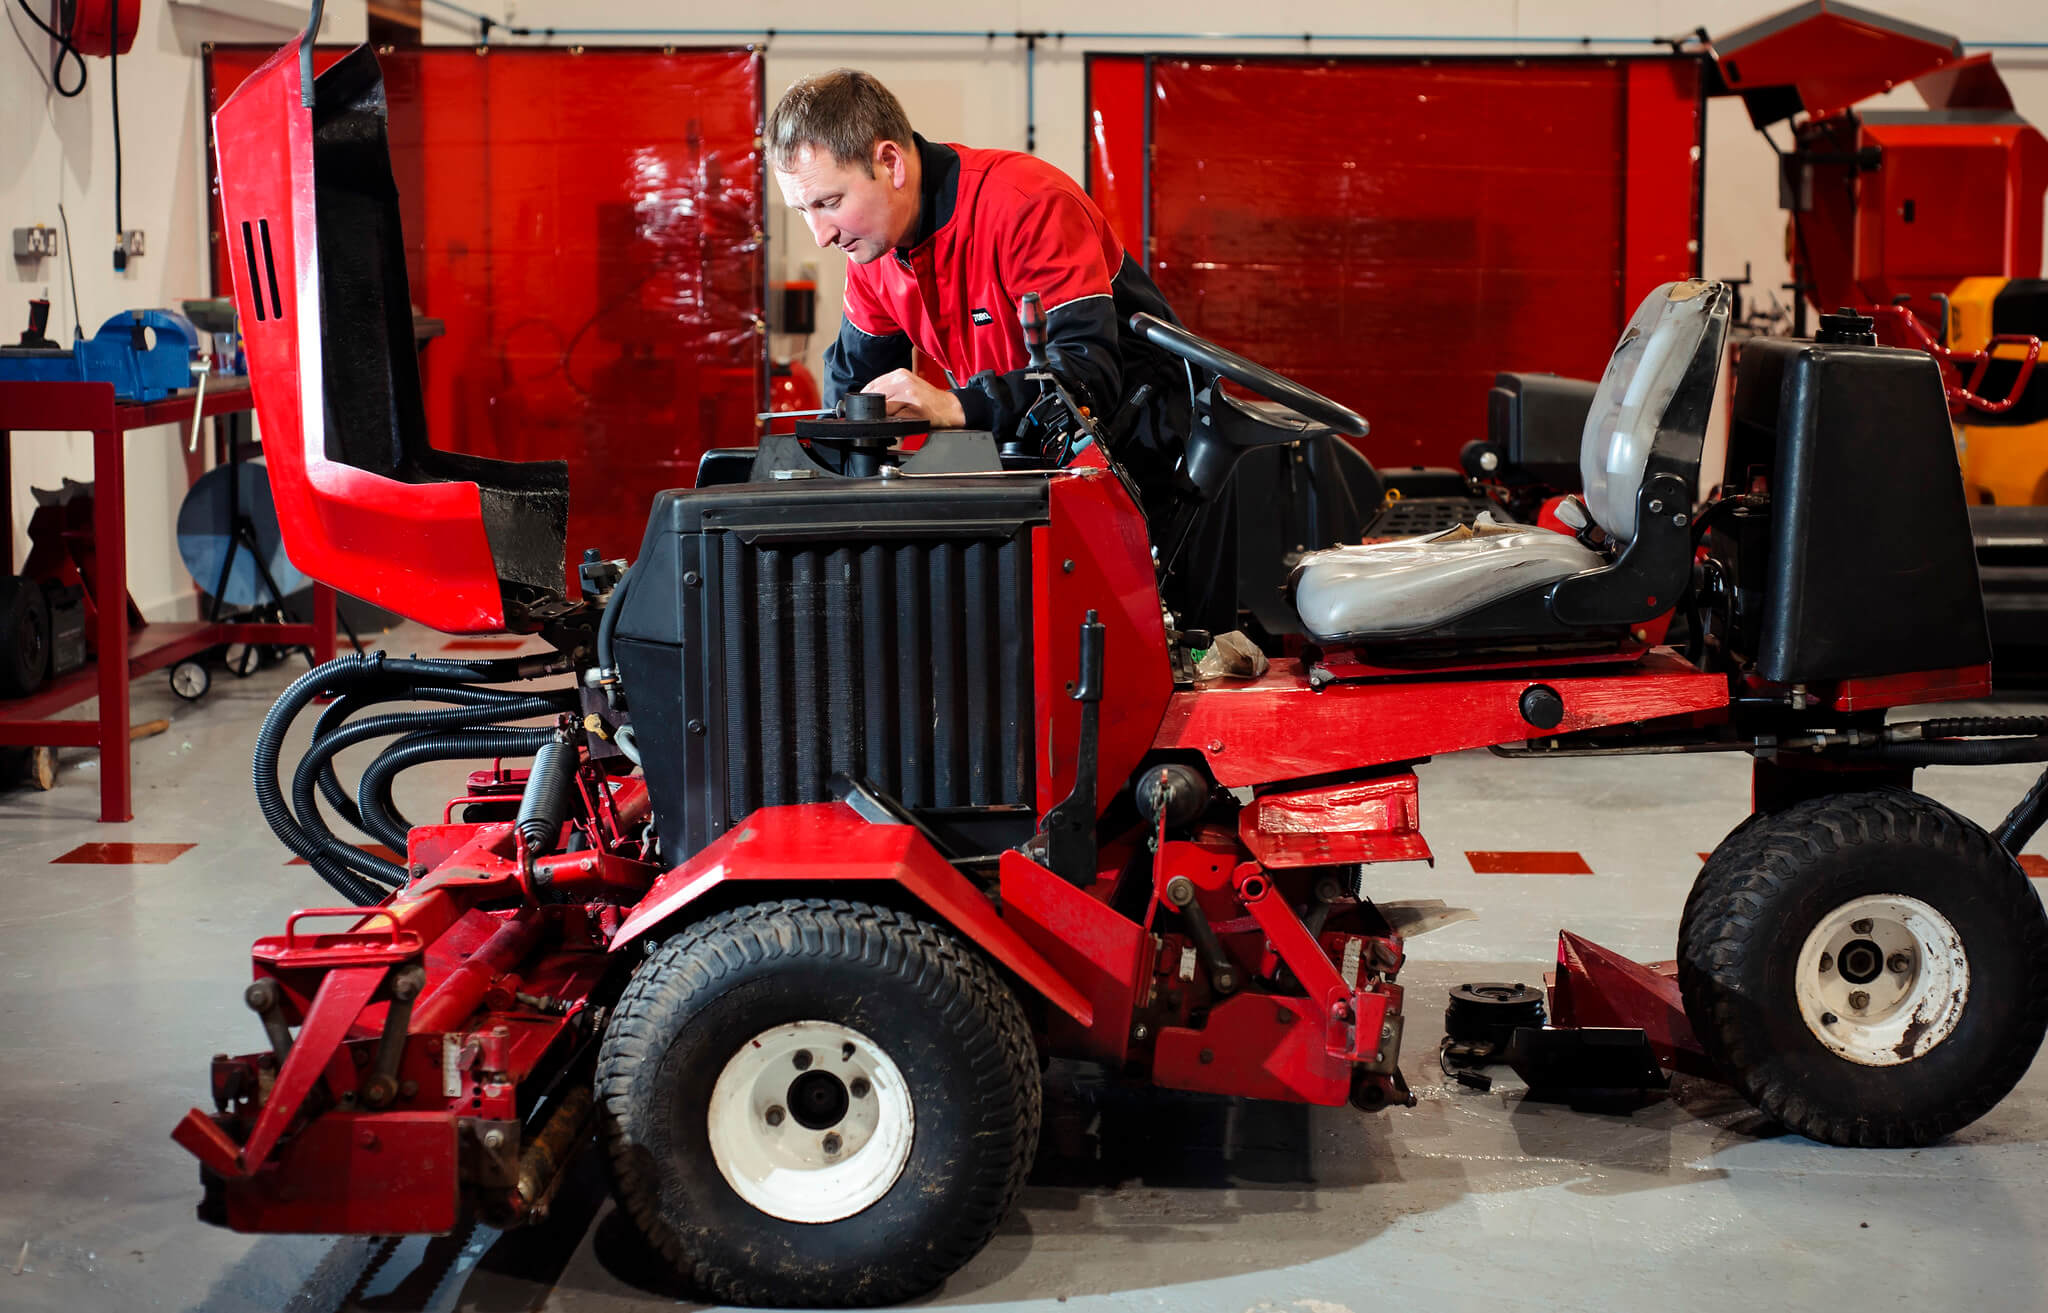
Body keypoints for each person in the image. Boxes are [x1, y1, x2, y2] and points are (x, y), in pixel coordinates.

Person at [765, 69, 1188, 491]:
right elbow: (854, 396)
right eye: (803, 211)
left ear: (890, 163)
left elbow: (1085, 375)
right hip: (1028, 461)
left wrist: (952, 405)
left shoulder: (1027, 205)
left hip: (1155, 465)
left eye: (830, 202)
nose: (821, 236)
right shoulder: (873, 249)